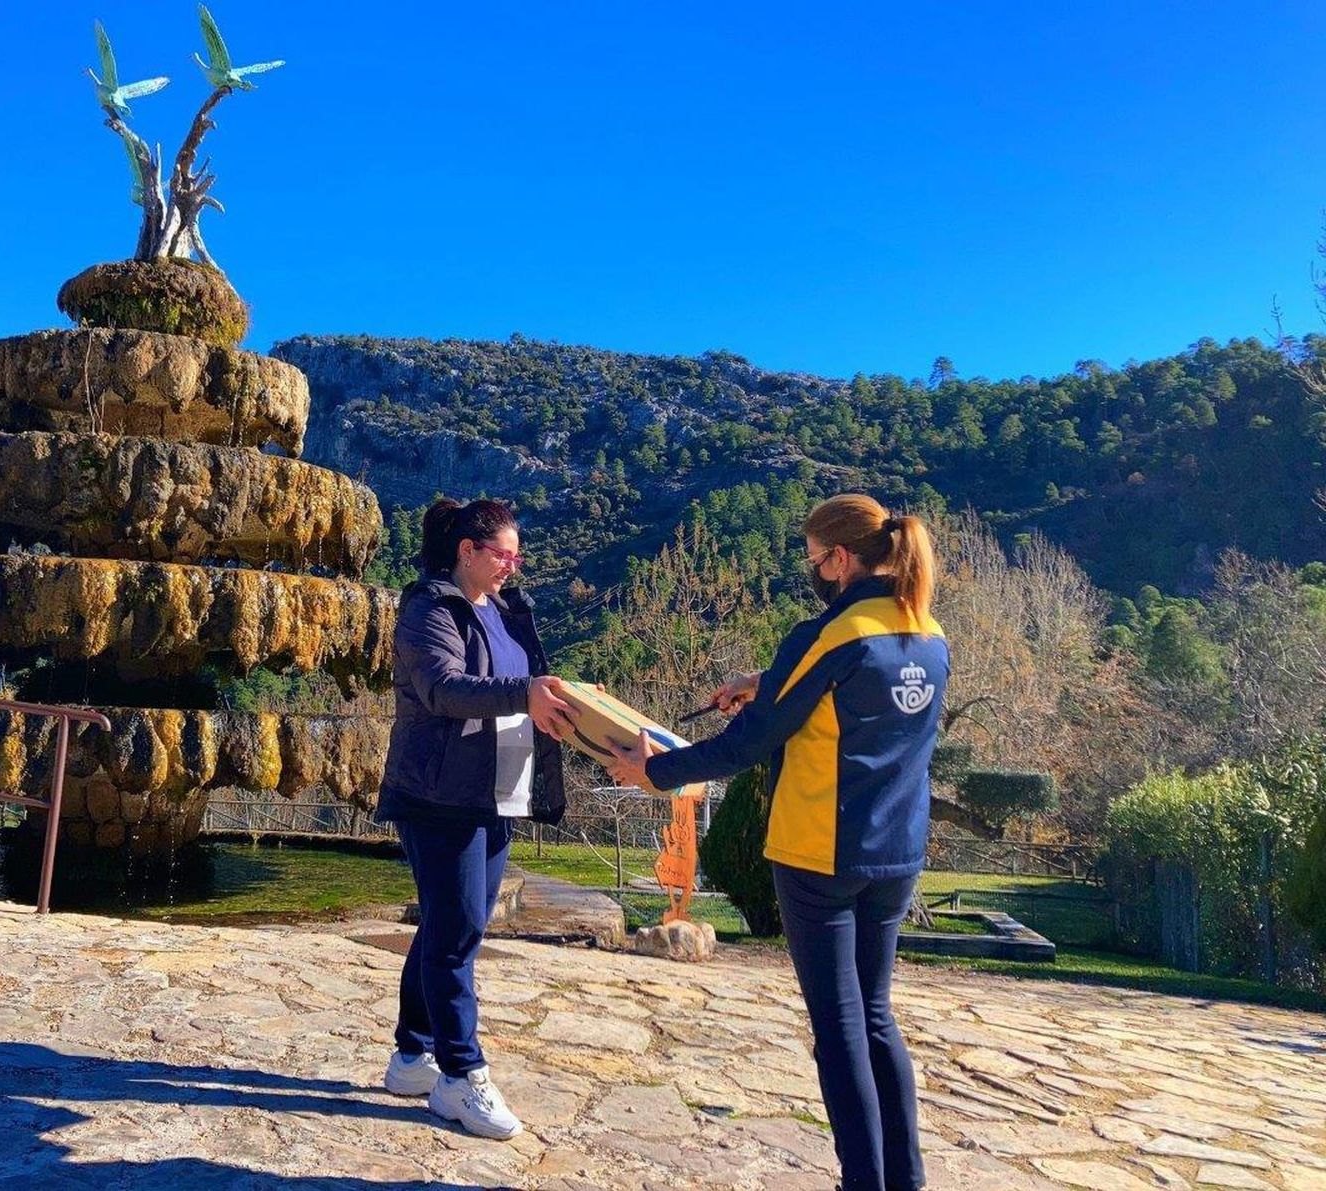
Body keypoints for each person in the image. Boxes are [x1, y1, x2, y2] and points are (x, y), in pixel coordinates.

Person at [605, 494, 947, 1191]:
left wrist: (655, 772)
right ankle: (905, 1180)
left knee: (840, 1026)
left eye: (814, 559)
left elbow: (748, 744)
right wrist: (764, 683)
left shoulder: (826, 634)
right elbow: (856, 691)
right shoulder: (926, 629)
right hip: (896, 852)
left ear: (839, 558)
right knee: (876, 1016)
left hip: (820, 851)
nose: (812, 571)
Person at [373, 496, 578, 1140]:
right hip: (439, 797)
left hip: (497, 794)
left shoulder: (506, 611)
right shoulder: (430, 608)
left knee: (452, 926)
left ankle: (413, 1056)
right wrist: (525, 693)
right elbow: (442, 688)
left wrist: (566, 701)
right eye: (503, 555)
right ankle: (460, 1075)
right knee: (456, 933)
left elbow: (527, 687)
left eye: (517, 557)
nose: (513, 567)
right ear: (467, 550)